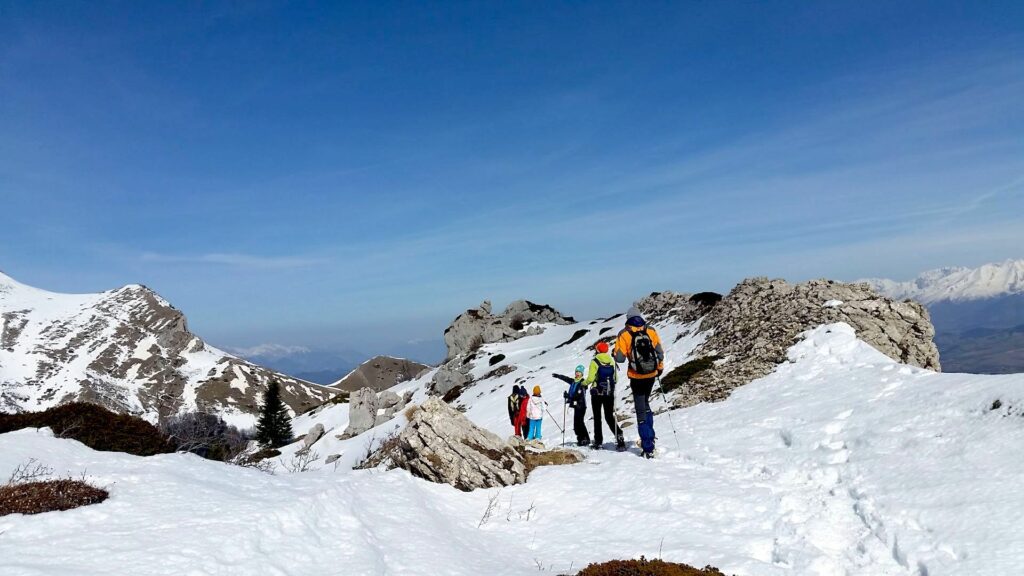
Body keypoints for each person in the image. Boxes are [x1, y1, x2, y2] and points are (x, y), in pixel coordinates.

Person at [613, 306, 664, 458]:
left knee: (641, 409)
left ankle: (648, 447)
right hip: (652, 375)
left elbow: (620, 358)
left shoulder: (624, 334)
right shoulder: (651, 330)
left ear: (627, 318)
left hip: (636, 377)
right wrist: (659, 368)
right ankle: (650, 437)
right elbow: (660, 352)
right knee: (646, 404)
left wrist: (615, 353)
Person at [586, 341, 625, 450]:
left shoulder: (594, 361)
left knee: (597, 417)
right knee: (609, 416)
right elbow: (616, 379)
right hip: (609, 393)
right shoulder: (611, 361)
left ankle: (598, 442)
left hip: (597, 393)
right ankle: (619, 437)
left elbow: (590, 378)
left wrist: (583, 384)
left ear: (597, 350)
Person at [552, 365, 590, 446]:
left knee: (579, 423)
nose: (577, 374)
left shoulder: (582, 383)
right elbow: (566, 379)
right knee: (577, 424)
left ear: (582, 374)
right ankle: (581, 438)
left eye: (579, 372)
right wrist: (558, 376)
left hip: (581, 405)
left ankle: (585, 438)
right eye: (576, 372)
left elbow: (578, 395)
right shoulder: (574, 381)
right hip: (577, 406)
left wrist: (568, 396)